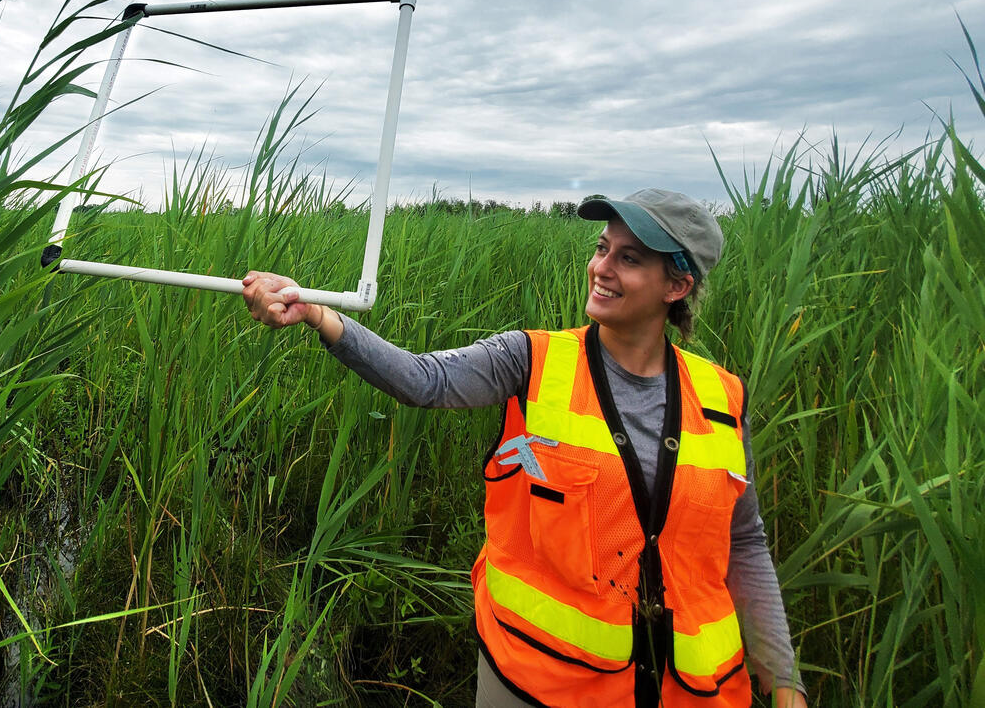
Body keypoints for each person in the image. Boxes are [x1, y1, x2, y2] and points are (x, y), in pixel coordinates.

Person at [242, 189, 807, 708]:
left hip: (688, 690)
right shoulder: (532, 360)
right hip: (537, 681)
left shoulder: (720, 395)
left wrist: (784, 682)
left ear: (677, 286)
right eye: (602, 248)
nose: (601, 268)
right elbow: (423, 379)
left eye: (629, 259)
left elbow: (743, 541)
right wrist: (317, 314)